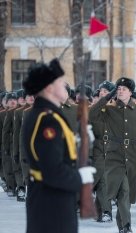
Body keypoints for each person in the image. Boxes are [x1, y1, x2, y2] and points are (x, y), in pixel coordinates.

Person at [21, 58, 96, 233]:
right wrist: (79, 178)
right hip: (51, 203)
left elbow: (54, 152)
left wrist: (79, 140)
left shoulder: (45, 115)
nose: (65, 86)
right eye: (60, 82)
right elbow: (52, 170)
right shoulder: (48, 120)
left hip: (49, 199)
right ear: (49, 88)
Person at [91, 77, 136, 233]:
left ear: (131, 92)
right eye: (118, 89)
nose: (120, 91)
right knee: (123, 191)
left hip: (133, 157)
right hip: (114, 156)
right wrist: (107, 96)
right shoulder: (109, 109)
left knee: (126, 193)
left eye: (123, 89)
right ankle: (126, 226)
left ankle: (123, 225)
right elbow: (92, 114)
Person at [88, 80, 115, 223]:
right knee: (100, 180)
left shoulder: (116, 109)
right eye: (101, 91)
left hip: (113, 148)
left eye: (106, 91)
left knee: (103, 182)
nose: (103, 94)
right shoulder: (94, 109)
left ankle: (103, 212)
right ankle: (105, 211)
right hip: (97, 149)